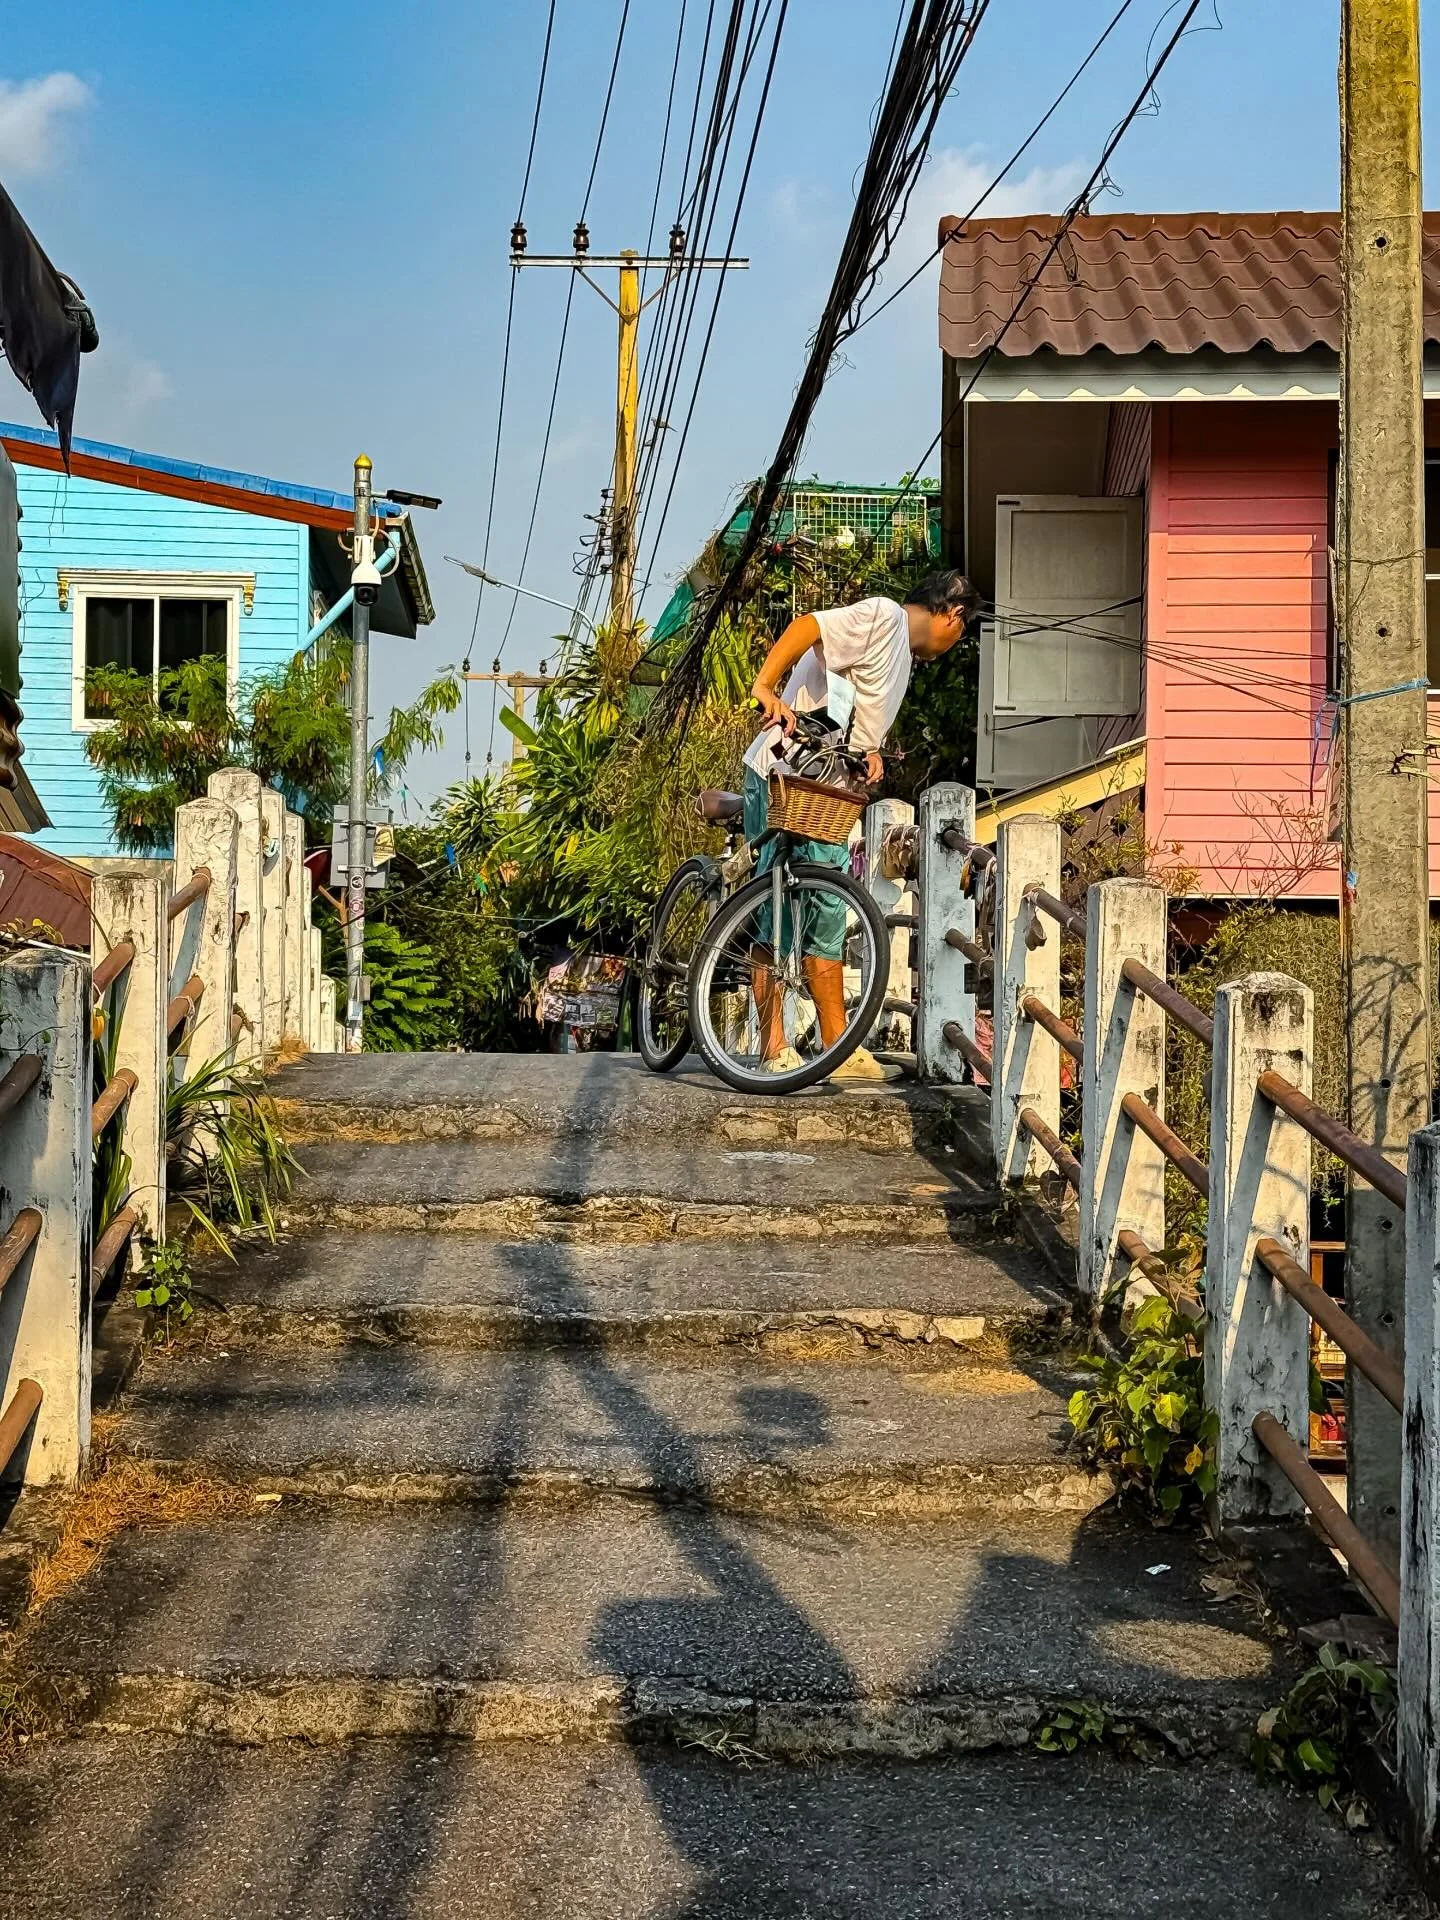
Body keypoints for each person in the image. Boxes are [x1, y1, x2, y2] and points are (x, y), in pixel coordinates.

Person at [743, 568, 978, 1078]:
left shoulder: (901, 661)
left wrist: (869, 753)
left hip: (824, 788)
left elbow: (852, 717)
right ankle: (774, 1045)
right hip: (783, 773)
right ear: (953, 614)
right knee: (776, 908)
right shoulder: (883, 616)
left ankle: (835, 1049)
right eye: (962, 630)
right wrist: (767, 687)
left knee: (824, 910)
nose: (955, 642)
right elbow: (809, 626)